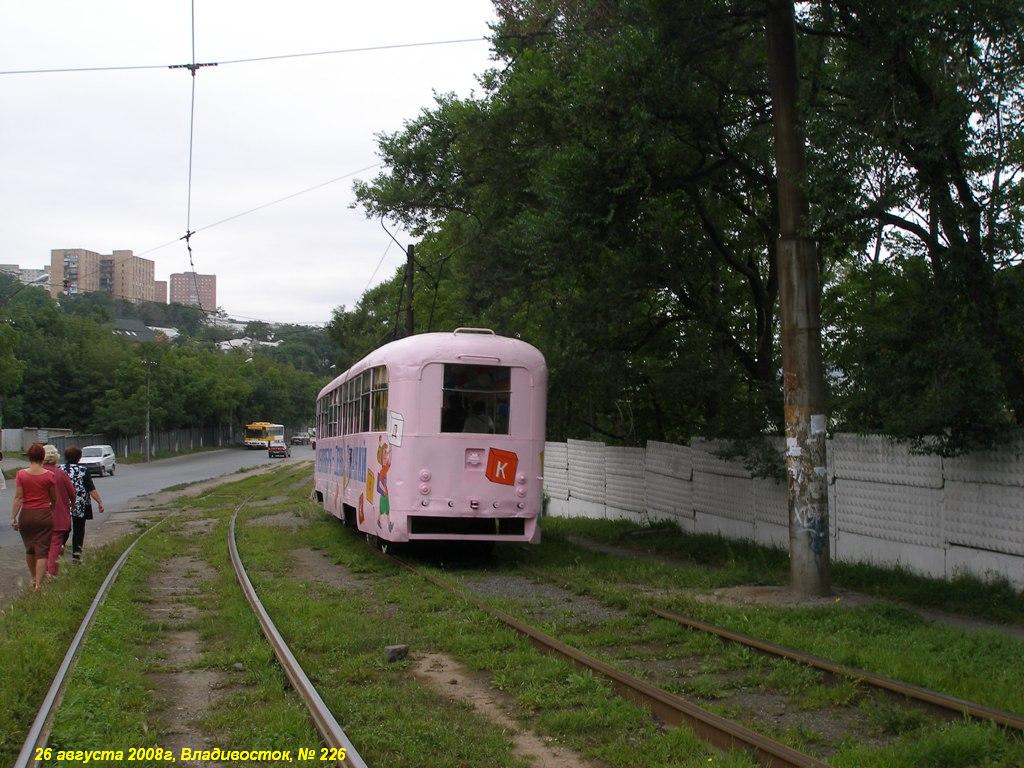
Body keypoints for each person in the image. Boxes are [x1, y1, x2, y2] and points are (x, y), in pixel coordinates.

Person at [10, 443, 56, 590]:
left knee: (30, 549)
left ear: (29, 457)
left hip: (26, 516)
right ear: (43, 457)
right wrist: (52, 510)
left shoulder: (21, 474)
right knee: (42, 551)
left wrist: (13, 517)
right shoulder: (50, 476)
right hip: (43, 515)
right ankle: (38, 584)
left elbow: (18, 498)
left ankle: (33, 577)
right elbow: (53, 498)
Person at [61, 446, 105, 563]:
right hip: (80, 504)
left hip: (62, 504)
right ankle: (76, 556)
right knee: (79, 530)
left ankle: (59, 550)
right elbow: (91, 489)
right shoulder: (83, 470)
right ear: (79, 458)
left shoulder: (59, 469)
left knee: (64, 528)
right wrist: (99, 502)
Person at [42, 445, 75, 577]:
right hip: (58, 516)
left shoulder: (35, 473)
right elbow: (72, 493)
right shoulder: (61, 473)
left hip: (39, 516)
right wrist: (72, 505)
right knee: (55, 546)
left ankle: (39, 575)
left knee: (42, 547)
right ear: (55, 457)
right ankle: (51, 573)